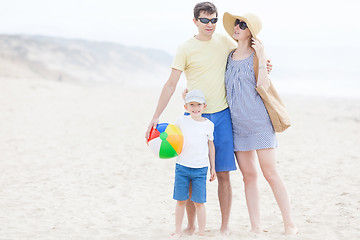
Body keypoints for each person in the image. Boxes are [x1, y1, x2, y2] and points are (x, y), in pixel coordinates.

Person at [145, 2, 271, 234]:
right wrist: (156, 116)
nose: (210, 25)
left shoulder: (224, 42)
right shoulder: (185, 48)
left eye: (213, 20)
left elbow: (245, 51)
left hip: (222, 115)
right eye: (205, 20)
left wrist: (264, 64)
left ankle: (224, 227)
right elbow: (171, 83)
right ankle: (191, 226)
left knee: (223, 174)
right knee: (191, 169)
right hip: (193, 117)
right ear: (195, 21)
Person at [222, 12, 298, 235]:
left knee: (270, 173)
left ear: (251, 32)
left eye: (242, 24)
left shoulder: (257, 56)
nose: (237, 27)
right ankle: (256, 227)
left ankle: (290, 224)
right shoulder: (228, 56)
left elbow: (263, 85)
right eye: (236, 23)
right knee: (249, 177)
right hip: (237, 125)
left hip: (259, 123)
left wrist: (263, 56)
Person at [171, 89, 216, 238]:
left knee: (199, 202)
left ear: (204, 106)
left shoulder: (208, 125)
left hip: (200, 169)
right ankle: (178, 230)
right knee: (181, 200)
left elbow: (211, 146)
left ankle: (201, 232)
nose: (195, 108)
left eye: (198, 104)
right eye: (191, 104)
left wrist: (213, 168)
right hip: (182, 166)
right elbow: (172, 137)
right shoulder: (181, 121)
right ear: (186, 107)